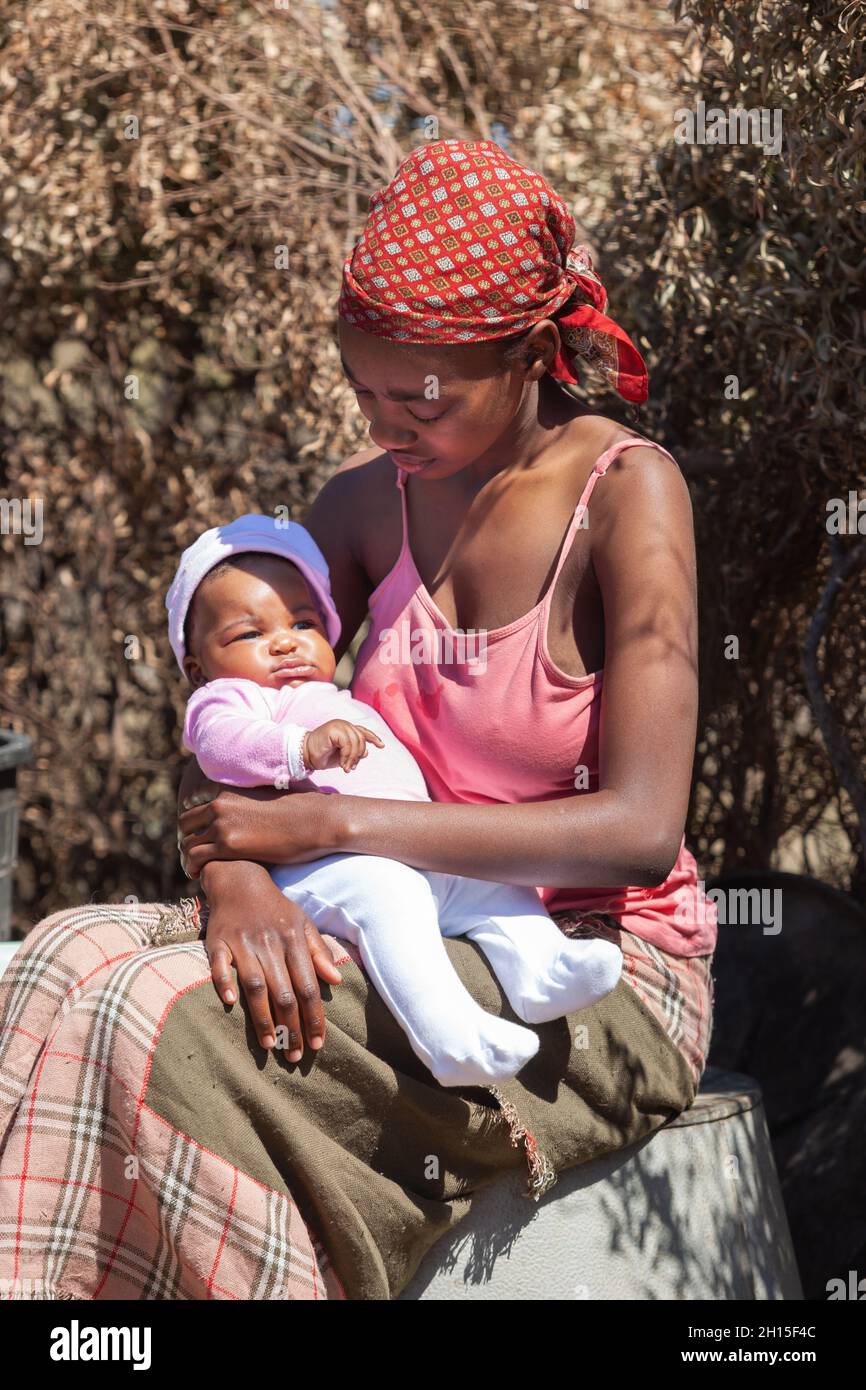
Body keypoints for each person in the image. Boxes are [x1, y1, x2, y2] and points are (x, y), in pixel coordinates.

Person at [0, 138, 716, 1301]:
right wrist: (234, 878)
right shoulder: (361, 500)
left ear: (531, 350)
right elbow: (233, 724)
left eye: (422, 395)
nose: (389, 423)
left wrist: (329, 829)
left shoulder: (625, 496)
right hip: (382, 913)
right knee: (58, 957)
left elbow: (635, 827)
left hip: (589, 962)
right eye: (364, 390)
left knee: (157, 1013)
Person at [168, 514, 623, 1089]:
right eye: (249, 634)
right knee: (391, 897)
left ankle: (542, 969)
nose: (285, 641)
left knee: (489, 877)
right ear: (198, 665)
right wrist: (297, 750)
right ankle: (450, 1036)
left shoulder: (339, 696)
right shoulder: (231, 699)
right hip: (319, 873)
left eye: (303, 623)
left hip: (398, 849)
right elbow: (218, 746)